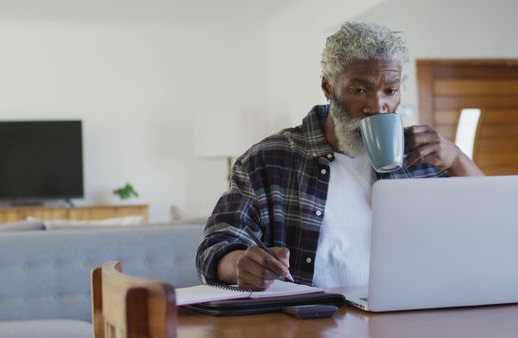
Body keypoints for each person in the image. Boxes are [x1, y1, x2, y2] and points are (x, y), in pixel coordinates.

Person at [196, 22, 483, 290]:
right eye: (360, 90)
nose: (377, 106)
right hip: (308, 322)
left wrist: (458, 159)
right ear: (328, 88)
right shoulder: (268, 160)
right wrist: (238, 265)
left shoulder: (422, 156)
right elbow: (215, 246)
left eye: (390, 91)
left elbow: (490, 228)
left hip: (410, 316)